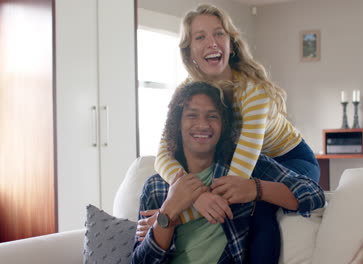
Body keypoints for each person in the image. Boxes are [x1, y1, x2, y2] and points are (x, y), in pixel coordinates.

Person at [154, 4, 322, 263]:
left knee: (257, 210)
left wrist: (168, 218)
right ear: (189, 52)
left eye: (219, 34)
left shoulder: (253, 93)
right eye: (200, 37)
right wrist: (193, 198)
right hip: (248, 161)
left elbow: (235, 179)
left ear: (230, 43)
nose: (212, 42)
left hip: (290, 159)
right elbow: (162, 156)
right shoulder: (187, 92)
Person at [132, 81, 325, 263]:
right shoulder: (156, 187)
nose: (202, 124)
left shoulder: (243, 170)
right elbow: (140, 261)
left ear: (223, 125)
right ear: (177, 124)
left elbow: (312, 194)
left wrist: (255, 188)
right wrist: (168, 212)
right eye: (192, 115)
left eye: (212, 116)